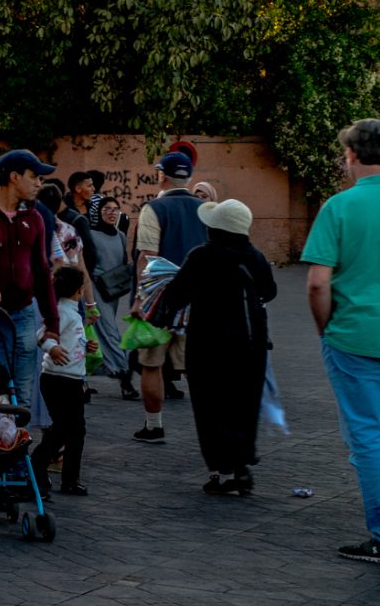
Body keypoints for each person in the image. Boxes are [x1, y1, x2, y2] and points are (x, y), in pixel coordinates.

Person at [305, 120, 380, 563]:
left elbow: (317, 283)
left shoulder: (339, 207)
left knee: (367, 434)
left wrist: (324, 328)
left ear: (350, 155)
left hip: (356, 334)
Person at [148, 202, 273, 496]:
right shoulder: (255, 257)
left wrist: (159, 315)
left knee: (211, 406)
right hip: (251, 345)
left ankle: (223, 472)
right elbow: (270, 291)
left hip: (209, 344)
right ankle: (240, 463)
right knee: (244, 404)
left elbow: (177, 294)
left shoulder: (202, 256)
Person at [0, 150, 61, 432]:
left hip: (23, 315)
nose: (39, 184)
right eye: (34, 177)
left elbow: (42, 272)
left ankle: (18, 457)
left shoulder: (35, 218)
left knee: (22, 392)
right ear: (14, 177)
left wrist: (52, 324)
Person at [133, 150, 209, 442]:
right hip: (197, 302)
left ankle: (154, 425)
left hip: (159, 303)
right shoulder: (206, 209)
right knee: (197, 367)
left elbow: (147, 258)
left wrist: (141, 300)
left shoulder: (154, 209)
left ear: (162, 175)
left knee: (151, 364)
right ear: (189, 178)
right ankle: (211, 426)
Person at [38, 265, 91, 496]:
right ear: (79, 291)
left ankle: (67, 477)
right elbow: (41, 335)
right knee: (66, 429)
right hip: (59, 380)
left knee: (72, 429)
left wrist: (85, 347)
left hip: (70, 379)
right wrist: (53, 347)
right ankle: (38, 466)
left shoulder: (69, 312)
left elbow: (71, 340)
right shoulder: (62, 312)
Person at [82, 192, 136, 397]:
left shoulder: (121, 236)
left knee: (99, 333)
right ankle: (124, 375)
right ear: (99, 212)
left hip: (113, 292)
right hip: (96, 290)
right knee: (111, 332)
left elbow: (122, 262)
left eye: (115, 209)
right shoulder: (91, 235)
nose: (111, 213)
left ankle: (84, 379)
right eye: (106, 209)